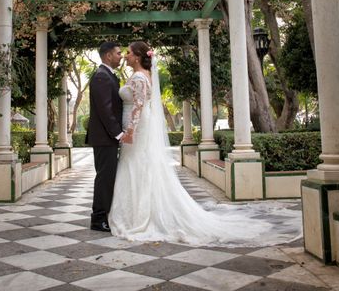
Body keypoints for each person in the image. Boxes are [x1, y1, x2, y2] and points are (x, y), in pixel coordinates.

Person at [108, 41, 302, 247]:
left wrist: (130, 131)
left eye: (128, 53)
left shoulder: (138, 77)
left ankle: (138, 216)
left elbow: (138, 106)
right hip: (141, 125)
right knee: (141, 165)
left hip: (137, 127)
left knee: (137, 164)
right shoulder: (145, 76)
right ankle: (142, 210)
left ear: (138, 57)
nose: (126, 56)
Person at [86, 41, 124, 232]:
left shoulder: (107, 75)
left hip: (107, 137)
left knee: (108, 177)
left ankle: (104, 215)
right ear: (108, 55)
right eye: (118, 53)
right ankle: (98, 218)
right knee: (104, 178)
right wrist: (118, 133)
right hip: (104, 138)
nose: (121, 56)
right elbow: (105, 110)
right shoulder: (102, 77)